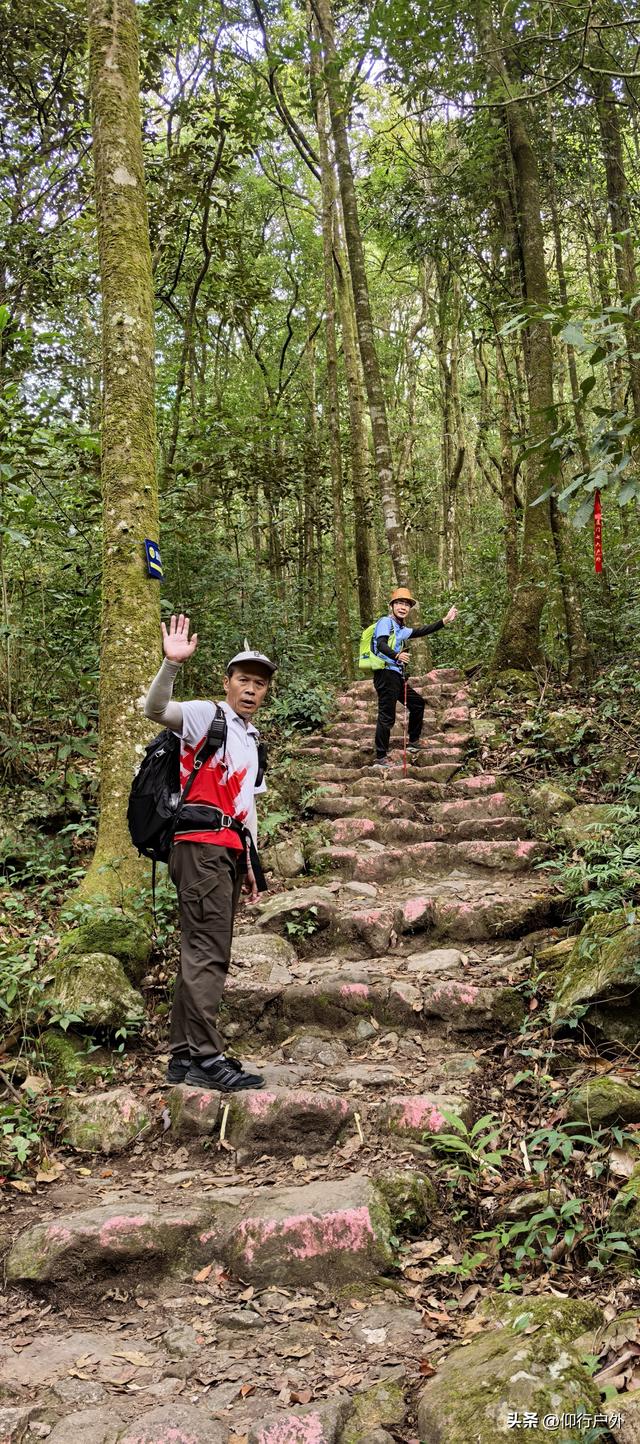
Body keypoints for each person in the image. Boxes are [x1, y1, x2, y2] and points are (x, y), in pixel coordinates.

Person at [143, 614, 276, 1092]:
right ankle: (206, 1057)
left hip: (228, 850)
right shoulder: (206, 715)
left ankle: (183, 1057)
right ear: (228, 682)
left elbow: (247, 809)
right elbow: (154, 708)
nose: (251, 690)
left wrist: (252, 866)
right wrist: (171, 665)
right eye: (243, 680)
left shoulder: (253, 739)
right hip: (198, 846)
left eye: (259, 684)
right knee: (209, 952)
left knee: (198, 951)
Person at [371, 588, 458, 767]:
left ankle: (414, 741)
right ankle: (381, 756)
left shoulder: (401, 629)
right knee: (387, 716)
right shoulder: (385, 622)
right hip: (385, 674)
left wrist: (445, 620)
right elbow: (380, 644)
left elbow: (422, 630)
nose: (403, 607)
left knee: (417, 703)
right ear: (392, 605)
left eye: (406, 604)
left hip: (396, 676)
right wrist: (397, 655)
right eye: (399, 603)